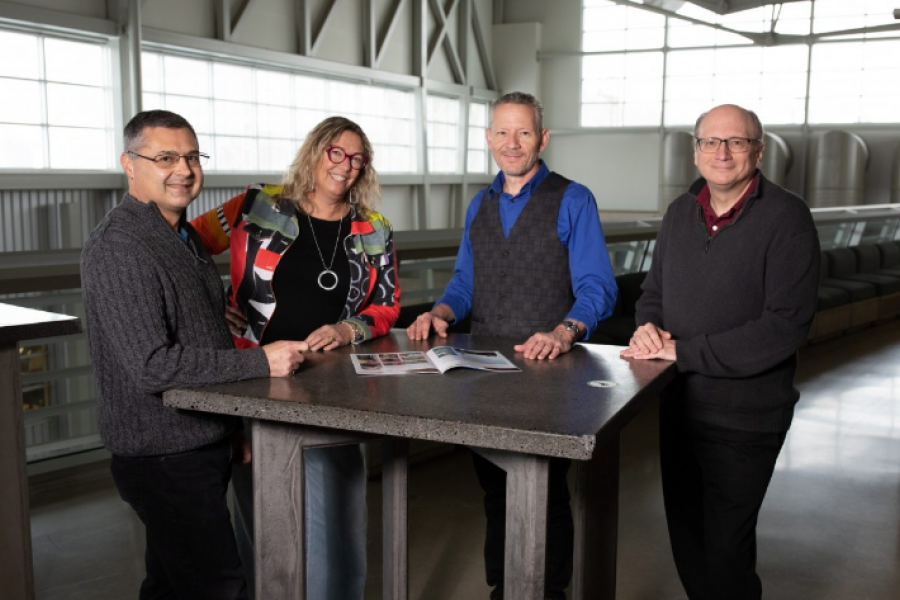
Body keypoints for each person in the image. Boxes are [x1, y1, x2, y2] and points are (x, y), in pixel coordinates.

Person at [81, 110, 308, 600]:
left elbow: (198, 334)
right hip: (162, 454)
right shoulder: (121, 245)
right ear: (129, 164)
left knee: (168, 584)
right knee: (219, 587)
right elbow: (152, 365)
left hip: (197, 442)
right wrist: (260, 361)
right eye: (164, 157)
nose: (183, 169)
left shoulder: (181, 236)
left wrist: (231, 427)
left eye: (190, 156)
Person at [407, 92, 617, 600]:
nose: (512, 143)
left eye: (523, 132)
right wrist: (439, 311)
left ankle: (549, 590)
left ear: (542, 139)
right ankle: (505, 586)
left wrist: (565, 330)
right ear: (488, 139)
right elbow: (464, 284)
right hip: (482, 372)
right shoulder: (480, 204)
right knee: (496, 487)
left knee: (543, 490)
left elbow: (598, 288)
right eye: (502, 132)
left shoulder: (573, 199)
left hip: (549, 375)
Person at [192, 116, 400, 600]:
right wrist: (209, 300)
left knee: (338, 511)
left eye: (357, 159)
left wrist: (348, 327)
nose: (345, 167)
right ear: (316, 150)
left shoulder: (375, 227)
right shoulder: (255, 205)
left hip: (334, 383)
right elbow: (185, 244)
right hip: (253, 374)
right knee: (260, 507)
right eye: (336, 153)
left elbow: (386, 304)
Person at [621, 104, 820, 600]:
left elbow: (785, 325)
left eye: (736, 142)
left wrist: (683, 352)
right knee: (688, 543)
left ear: (758, 149)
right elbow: (654, 294)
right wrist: (647, 327)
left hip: (746, 419)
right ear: (695, 151)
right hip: (680, 409)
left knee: (727, 552)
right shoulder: (679, 213)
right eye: (711, 141)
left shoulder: (787, 217)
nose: (722, 152)